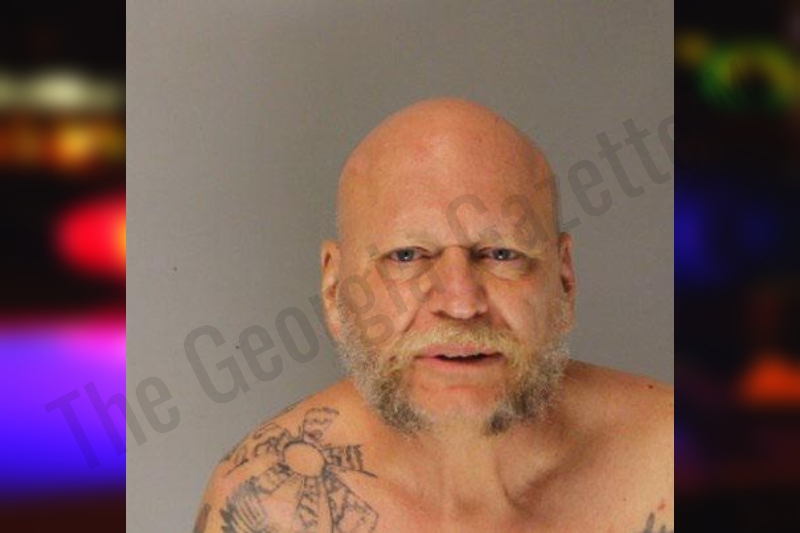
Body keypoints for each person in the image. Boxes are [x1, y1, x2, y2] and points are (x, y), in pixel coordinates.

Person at [196, 98, 674, 533]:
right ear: (334, 290)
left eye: (501, 254)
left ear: (564, 280)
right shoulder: (267, 507)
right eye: (406, 256)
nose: (461, 304)